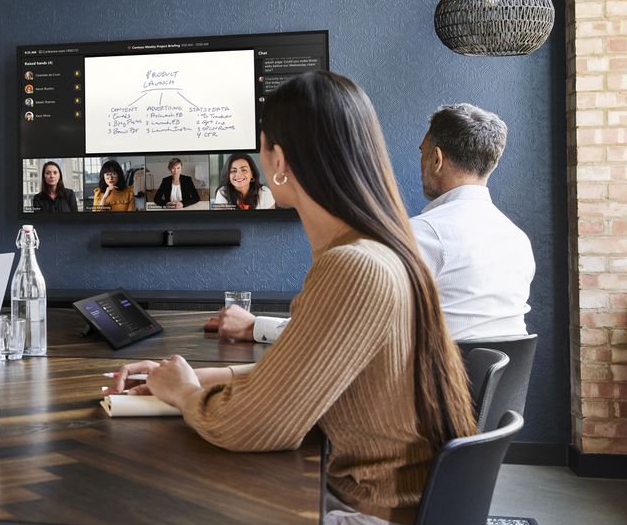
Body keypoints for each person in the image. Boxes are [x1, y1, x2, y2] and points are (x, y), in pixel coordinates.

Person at [114, 71, 475, 525]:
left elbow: (255, 426)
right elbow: (297, 374)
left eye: (261, 151)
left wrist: (184, 393)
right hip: (391, 518)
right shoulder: (379, 252)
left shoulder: (353, 267)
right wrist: (188, 375)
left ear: (278, 161)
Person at [213, 103, 534, 344]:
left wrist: (255, 327)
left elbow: (346, 331)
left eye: (422, 153)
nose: (420, 161)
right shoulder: (518, 241)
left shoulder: (425, 236)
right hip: (484, 420)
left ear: (437, 158)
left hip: (417, 414)